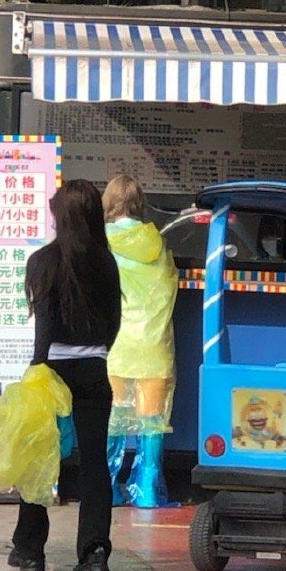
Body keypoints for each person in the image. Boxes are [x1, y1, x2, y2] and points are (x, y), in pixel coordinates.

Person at [8, 179, 121, 571]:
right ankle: (93, 554)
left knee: (40, 457)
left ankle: (30, 549)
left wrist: (37, 368)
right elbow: (113, 325)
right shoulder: (106, 262)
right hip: (94, 369)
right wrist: (95, 350)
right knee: (94, 464)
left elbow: (46, 326)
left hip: (51, 370)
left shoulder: (42, 261)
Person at [102, 175, 179, 508]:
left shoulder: (101, 243)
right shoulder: (157, 242)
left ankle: (108, 487)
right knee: (151, 421)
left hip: (118, 346)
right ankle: (147, 490)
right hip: (154, 348)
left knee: (114, 419)